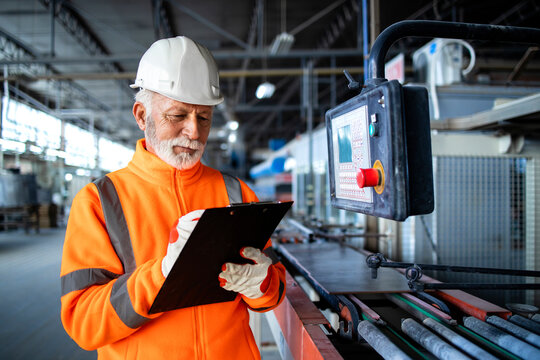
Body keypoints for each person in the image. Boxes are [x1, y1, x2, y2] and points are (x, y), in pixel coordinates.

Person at [60, 36, 286, 359]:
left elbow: (274, 291)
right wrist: (163, 275)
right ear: (141, 116)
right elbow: (82, 321)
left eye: (204, 117)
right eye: (177, 116)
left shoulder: (235, 193)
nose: (194, 132)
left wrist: (263, 284)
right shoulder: (100, 203)